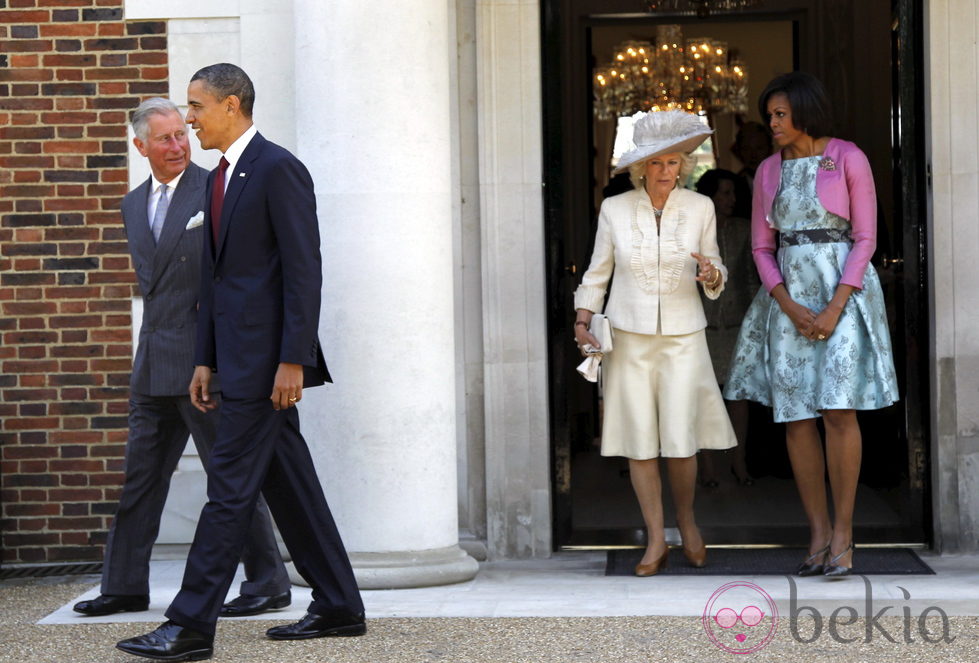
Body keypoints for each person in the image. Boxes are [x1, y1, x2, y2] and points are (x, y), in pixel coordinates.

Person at [117, 64, 364, 661]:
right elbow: (217, 279)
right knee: (291, 484)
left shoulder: (277, 169)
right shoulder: (220, 179)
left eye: (196, 108)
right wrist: (204, 361)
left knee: (227, 491)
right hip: (232, 361)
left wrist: (293, 361)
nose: (190, 119)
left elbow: (304, 273)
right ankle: (337, 604)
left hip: (266, 367)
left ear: (232, 105)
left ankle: (190, 625)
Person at [74, 98, 291, 620]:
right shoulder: (131, 204)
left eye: (181, 135)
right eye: (165, 138)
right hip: (152, 364)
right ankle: (124, 585)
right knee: (140, 479)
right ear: (141, 146)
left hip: (204, 364)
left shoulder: (214, 188)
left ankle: (267, 582)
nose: (177, 145)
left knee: (228, 477)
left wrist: (218, 358)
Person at [724, 72, 899, 577]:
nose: (772, 124)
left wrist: (834, 306)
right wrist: (786, 303)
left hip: (844, 293)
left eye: (779, 114)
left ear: (804, 110)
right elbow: (761, 247)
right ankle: (818, 533)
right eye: (769, 116)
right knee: (796, 418)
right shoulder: (766, 172)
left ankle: (845, 533)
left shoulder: (847, 156)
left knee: (838, 411)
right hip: (787, 302)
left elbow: (865, 239)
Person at [574, 110, 737, 577]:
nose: (668, 170)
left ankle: (687, 522)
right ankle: (653, 536)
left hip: (685, 335)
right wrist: (583, 318)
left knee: (682, 441)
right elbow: (597, 271)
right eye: (658, 162)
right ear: (640, 167)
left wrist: (711, 273)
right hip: (628, 334)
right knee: (640, 442)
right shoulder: (615, 209)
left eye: (674, 162)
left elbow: (717, 269)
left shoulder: (700, 208)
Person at [694, 168, 758, 488]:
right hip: (701, 326)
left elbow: (750, 278)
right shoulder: (692, 233)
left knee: (738, 397)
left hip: (738, 325)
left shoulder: (746, 230)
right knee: (704, 396)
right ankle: (706, 466)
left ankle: (738, 461)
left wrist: (753, 320)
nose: (730, 199)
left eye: (733, 193)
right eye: (723, 193)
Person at [730, 121, 773, 219]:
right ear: (740, 152)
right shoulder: (733, 186)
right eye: (746, 149)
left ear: (770, 150)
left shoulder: (785, 181)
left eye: (759, 148)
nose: (753, 155)